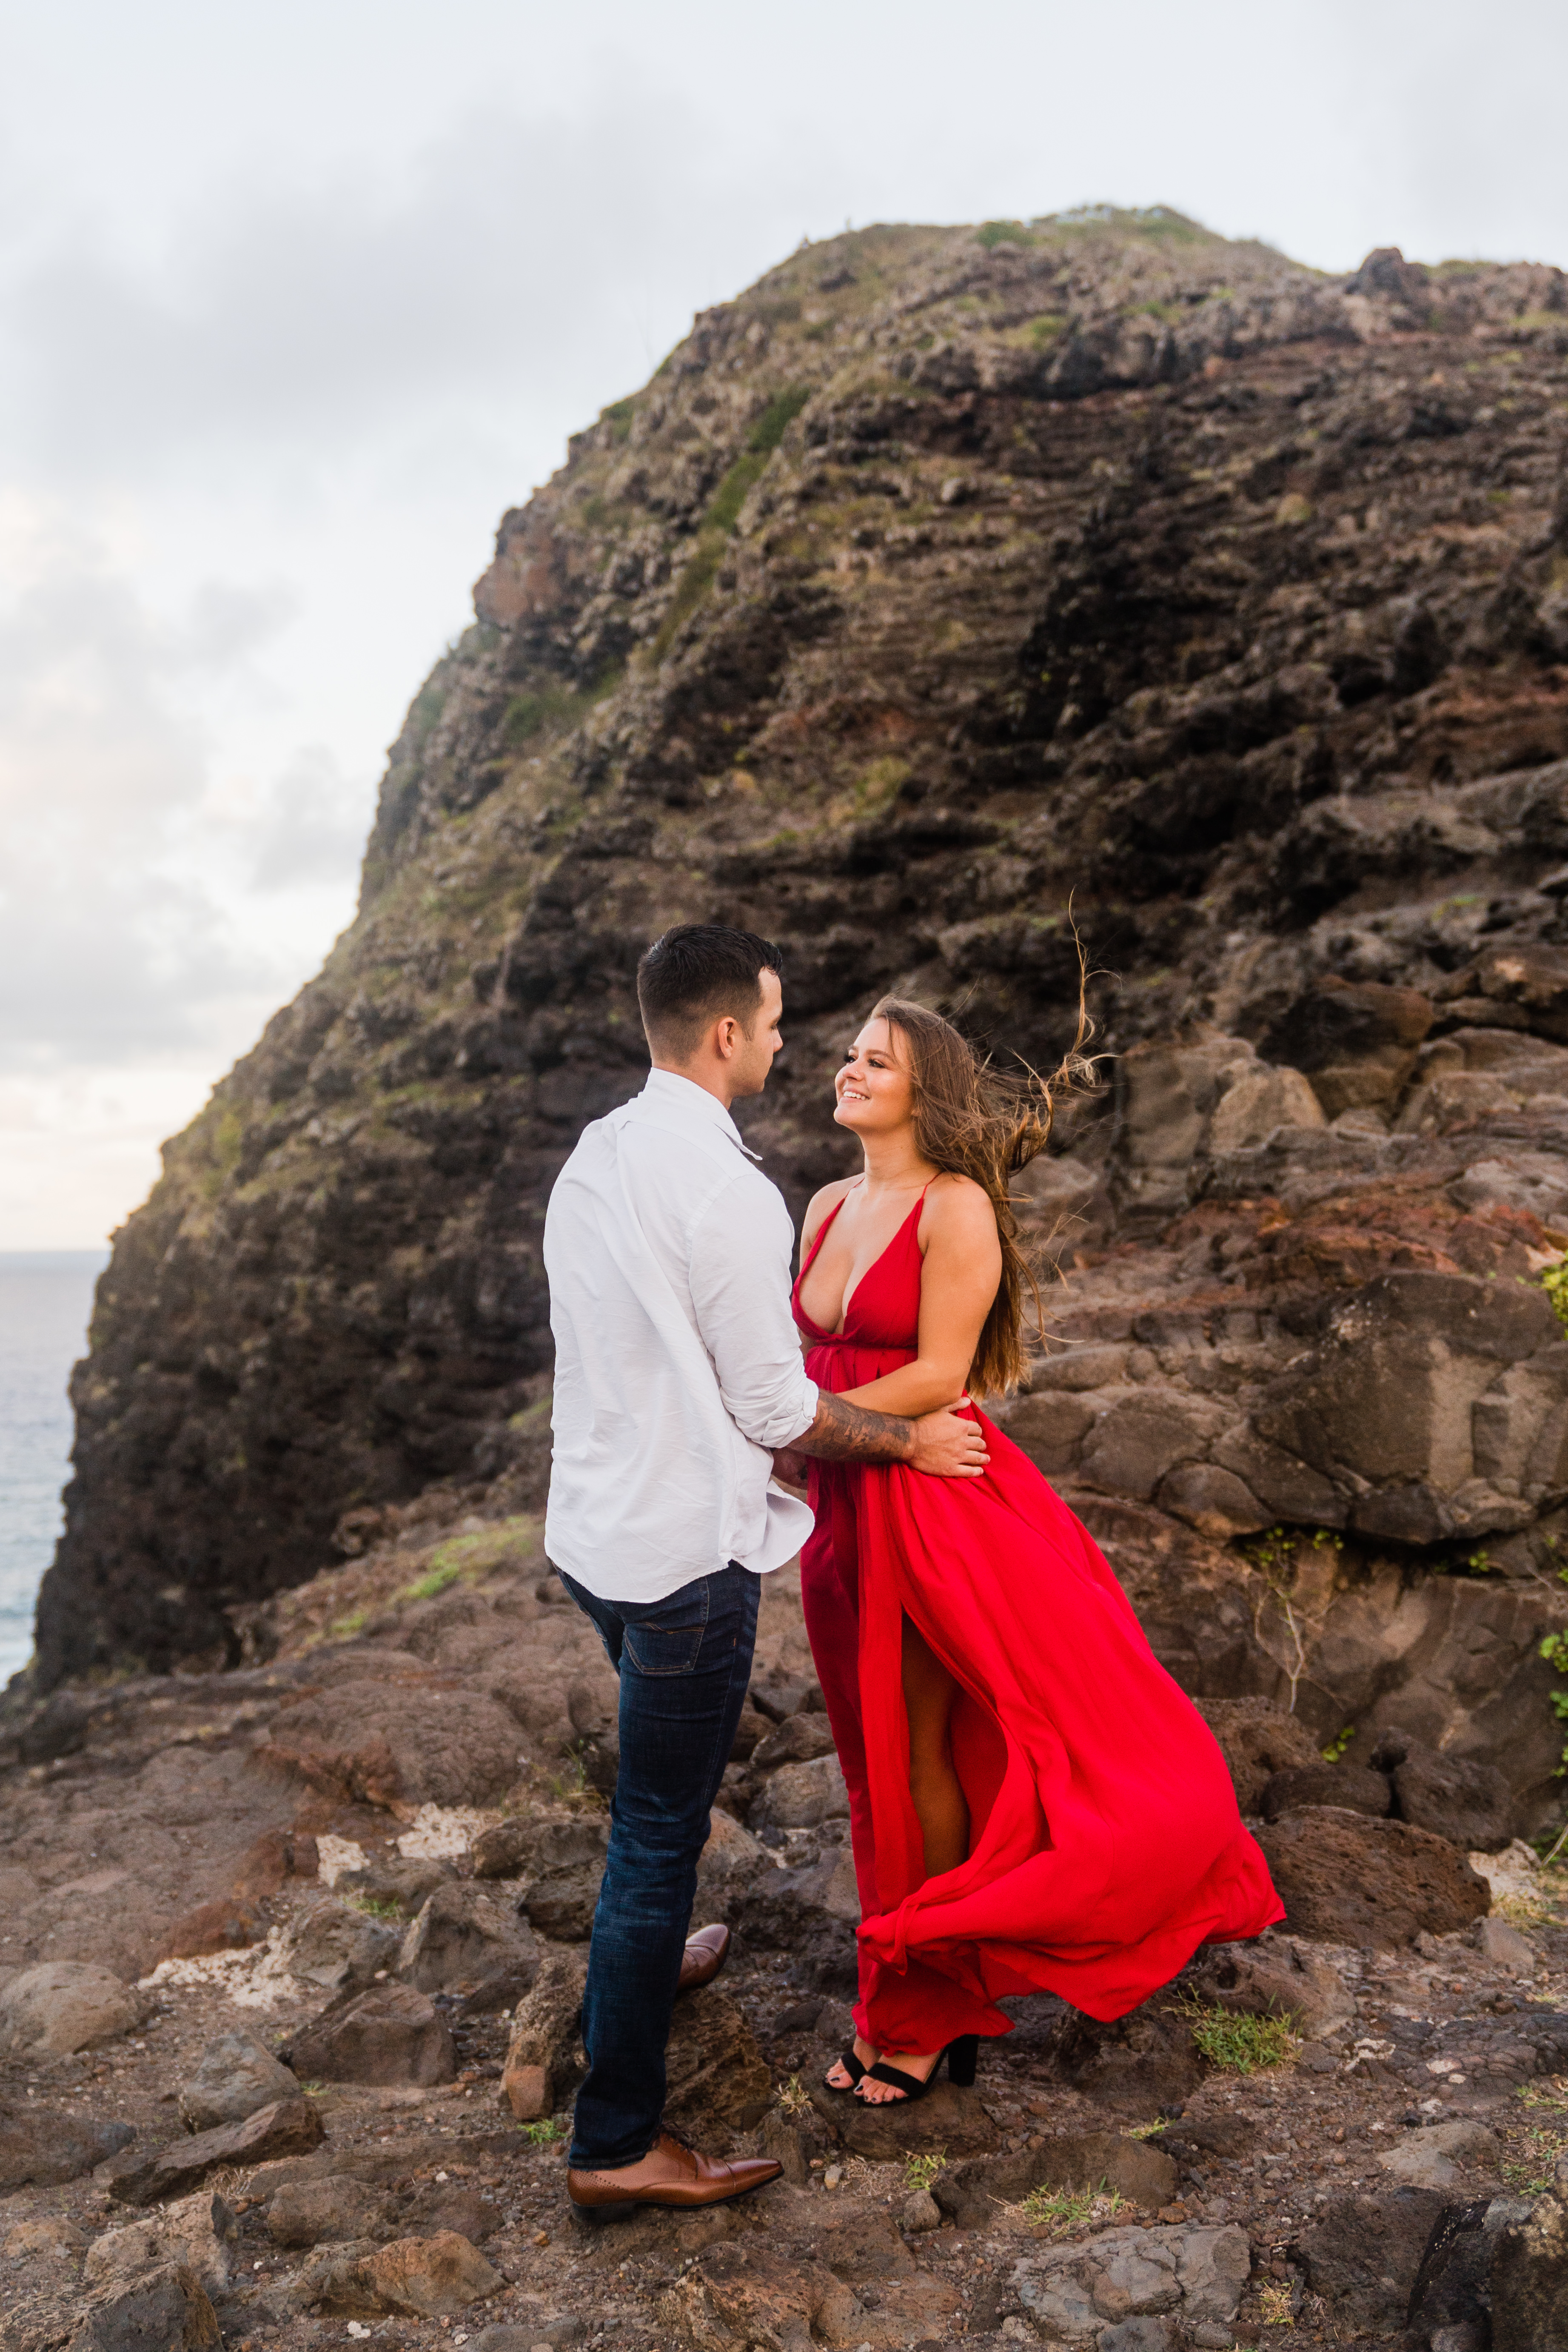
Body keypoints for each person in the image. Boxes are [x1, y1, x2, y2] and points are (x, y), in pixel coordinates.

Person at [543, 927, 989, 2216]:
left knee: (649, 1831)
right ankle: (617, 2137)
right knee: (655, 1833)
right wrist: (908, 1438)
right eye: (782, 1023)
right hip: (684, 1554)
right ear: (729, 1033)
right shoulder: (732, 1192)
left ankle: (644, 1962)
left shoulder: (598, 1154)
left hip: (594, 1537)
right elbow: (777, 1408)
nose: (792, 1043)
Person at [781, 995, 1284, 2107]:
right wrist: (791, 1427)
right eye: (852, 1055)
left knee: (924, 1754)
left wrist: (779, 1420)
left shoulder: (955, 1206)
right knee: (870, 1758)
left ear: (926, 1091)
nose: (850, 1071)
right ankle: (902, 1994)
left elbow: (938, 1374)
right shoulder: (822, 1204)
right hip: (843, 1500)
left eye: (878, 1061)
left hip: (928, 1499)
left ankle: (927, 2012)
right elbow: (800, 1350)